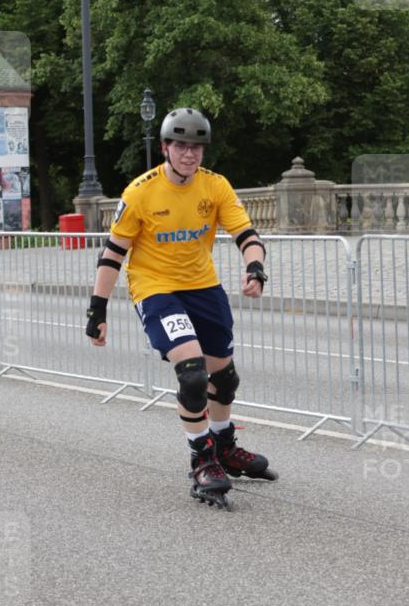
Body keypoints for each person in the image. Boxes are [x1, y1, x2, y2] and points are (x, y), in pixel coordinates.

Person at [85, 107, 277, 509]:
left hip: (204, 287)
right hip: (156, 289)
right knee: (193, 377)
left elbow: (246, 233)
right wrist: (97, 310)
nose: (189, 154)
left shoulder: (215, 186)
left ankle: (225, 447)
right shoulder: (140, 191)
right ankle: (202, 460)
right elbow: (113, 254)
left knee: (224, 380)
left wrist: (255, 267)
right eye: (181, 146)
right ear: (165, 147)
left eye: (197, 147)